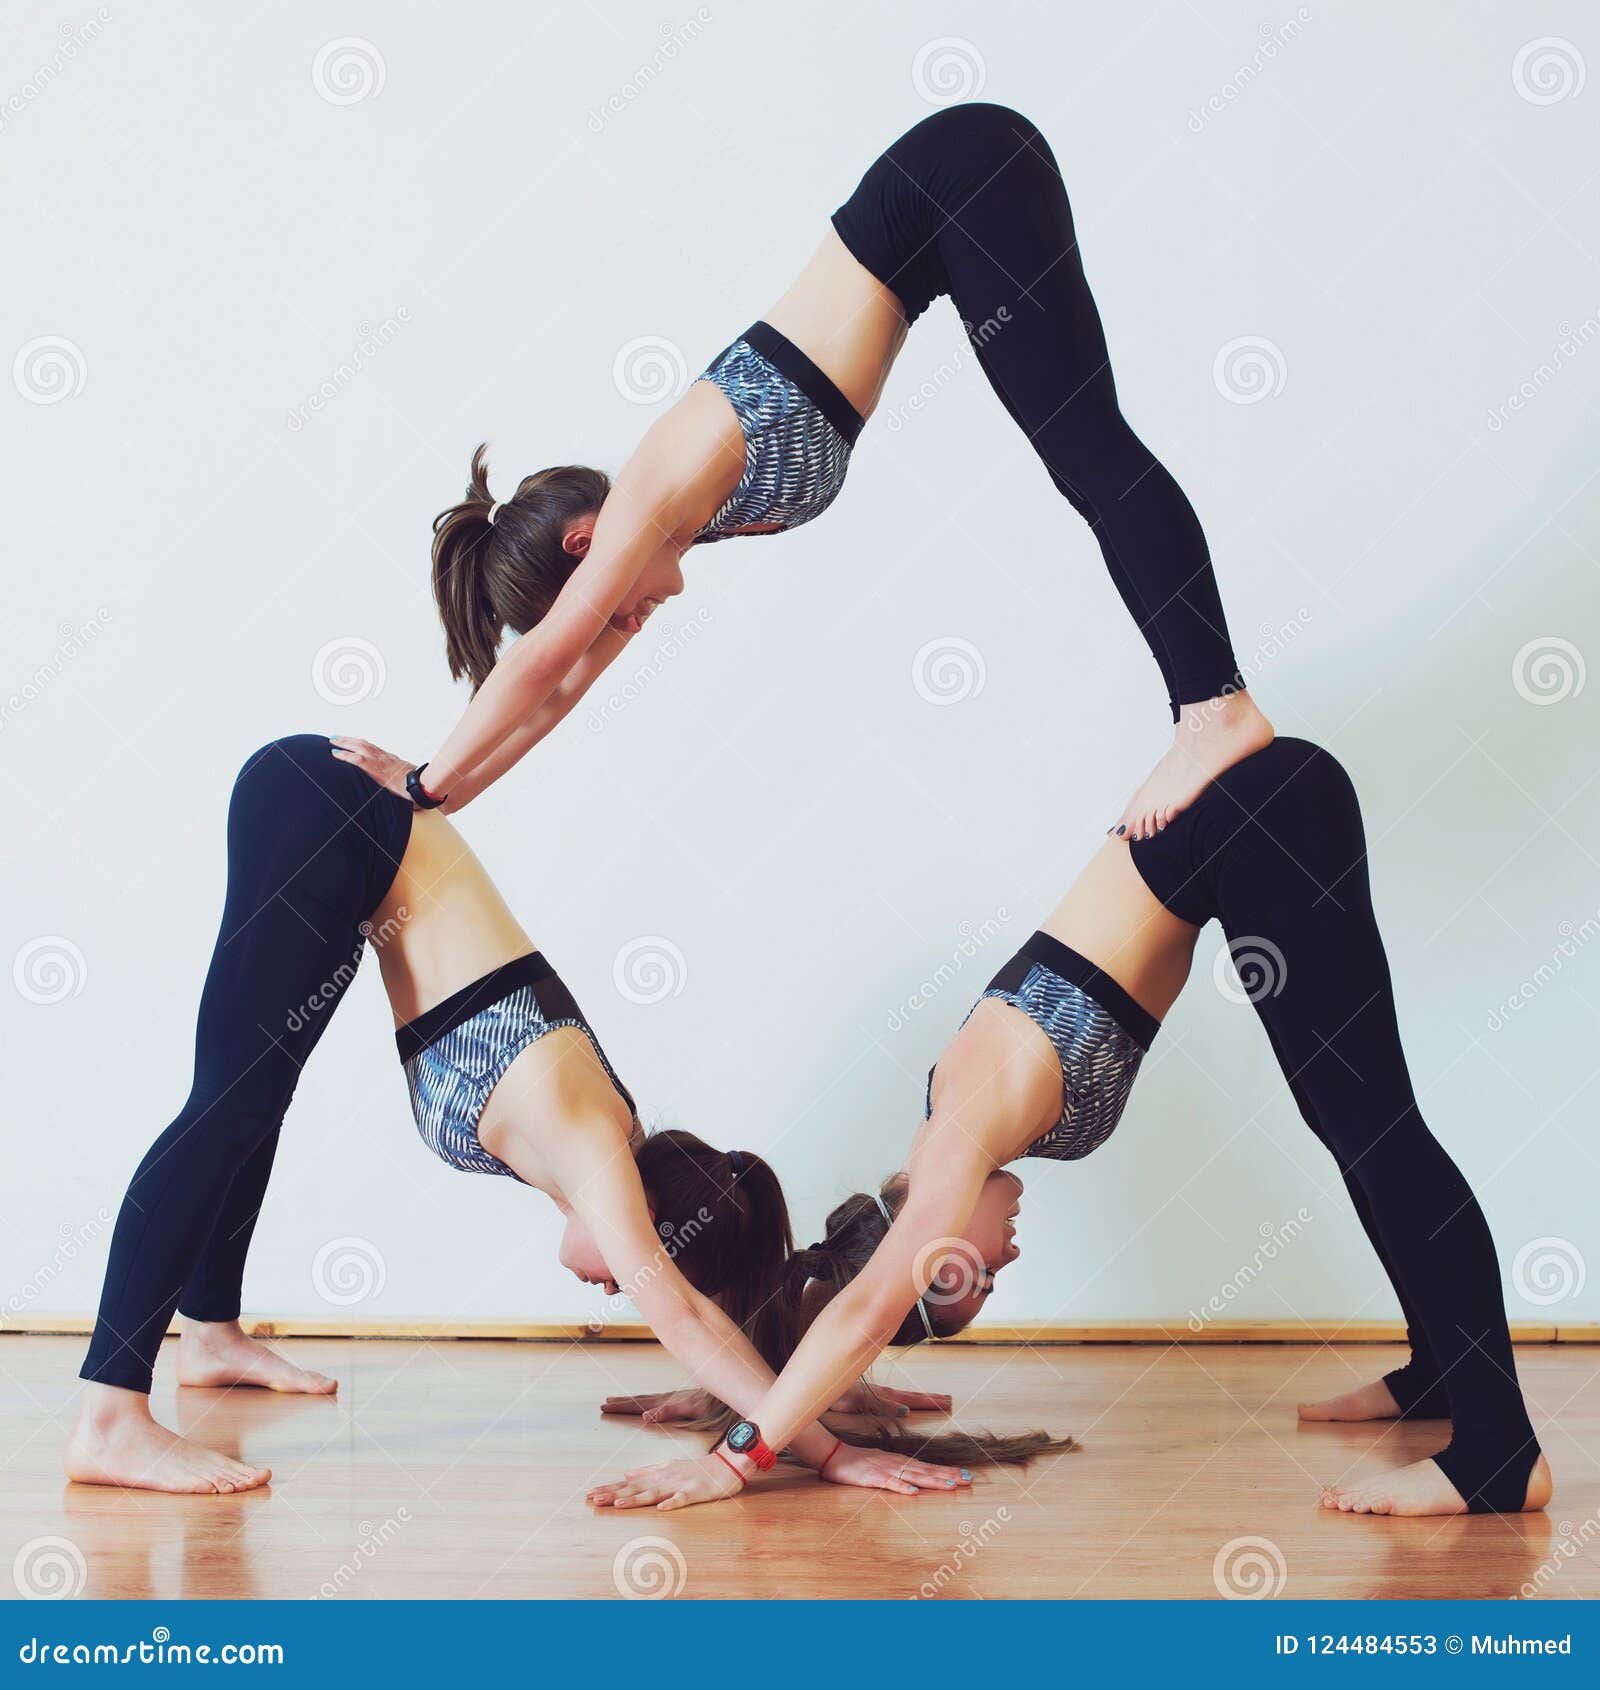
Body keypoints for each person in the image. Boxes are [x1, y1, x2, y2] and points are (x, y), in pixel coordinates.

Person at [588, 739, 1551, 1518]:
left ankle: (1500, 1460)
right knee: (1348, 1118)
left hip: (1267, 811)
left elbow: (864, 1307)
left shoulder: (959, 1130)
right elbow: (851, 1312)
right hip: (1255, 825)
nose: (1002, 1263)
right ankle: (1439, 1369)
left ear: (928, 1246)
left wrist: (740, 1459)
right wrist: (832, 1395)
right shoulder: (954, 1140)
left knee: (1376, 1126)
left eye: (972, 1279)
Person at [65, 735, 969, 1501]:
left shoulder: (599, 1149)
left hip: (344, 828)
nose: (620, 1287)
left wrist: (817, 1389)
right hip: (329, 806)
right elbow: (687, 1316)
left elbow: (706, 1319)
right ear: (648, 1219)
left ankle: (210, 1333)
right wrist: (822, 1451)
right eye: (635, 1270)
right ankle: (109, 1417)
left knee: (254, 1098)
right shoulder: (587, 1138)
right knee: (227, 1104)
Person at [333, 102, 1271, 840]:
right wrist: (437, 804)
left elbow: (539, 665)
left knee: (1089, 451)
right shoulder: (676, 524)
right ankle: (1210, 708)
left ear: (588, 543)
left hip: (963, 172)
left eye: (603, 607)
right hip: (954, 211)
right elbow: (561, 693)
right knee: (1087, 456)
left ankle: (1212, 710)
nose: (626, 621)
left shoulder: (656, 485)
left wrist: (419, 775)